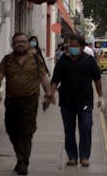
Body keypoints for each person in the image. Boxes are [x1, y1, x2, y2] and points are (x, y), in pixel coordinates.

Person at [0, 32, 51, 175]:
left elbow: (43, 77)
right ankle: (20, 156)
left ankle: (23, 162)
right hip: (12, 100)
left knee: (26, 131)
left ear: (27, 44)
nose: (20, 44)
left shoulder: (36, 59)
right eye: (17, 42)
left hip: (30, 100)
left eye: (23, 41)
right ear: (12, 44)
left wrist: (49, 95)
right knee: (11, 129)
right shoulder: (7, 60)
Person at [43, 34, 102, 166]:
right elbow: (55, 80)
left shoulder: (89, 60)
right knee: (69, 130)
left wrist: (100, 97)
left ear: (82, 47)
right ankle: (72, 156)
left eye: (75, 46)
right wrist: (50, 95)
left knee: (86, 127)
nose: (72, 48)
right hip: (66, 101)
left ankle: (85, 156)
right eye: (70, 46)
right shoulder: (63, 61)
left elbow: (97, 79)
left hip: (85, 101)